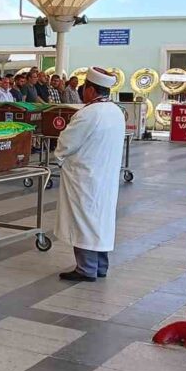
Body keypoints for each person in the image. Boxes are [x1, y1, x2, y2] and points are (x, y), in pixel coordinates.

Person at [54, 67, 125, 282]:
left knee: (84, 221)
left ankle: (86, 268)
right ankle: (100, 266)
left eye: (85, 88)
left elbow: (67, 142)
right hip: (105, 177)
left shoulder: (88, 113)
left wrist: (59, 157)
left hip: (84, 177)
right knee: (100, 221)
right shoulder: (116, 111)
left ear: (92, 91)